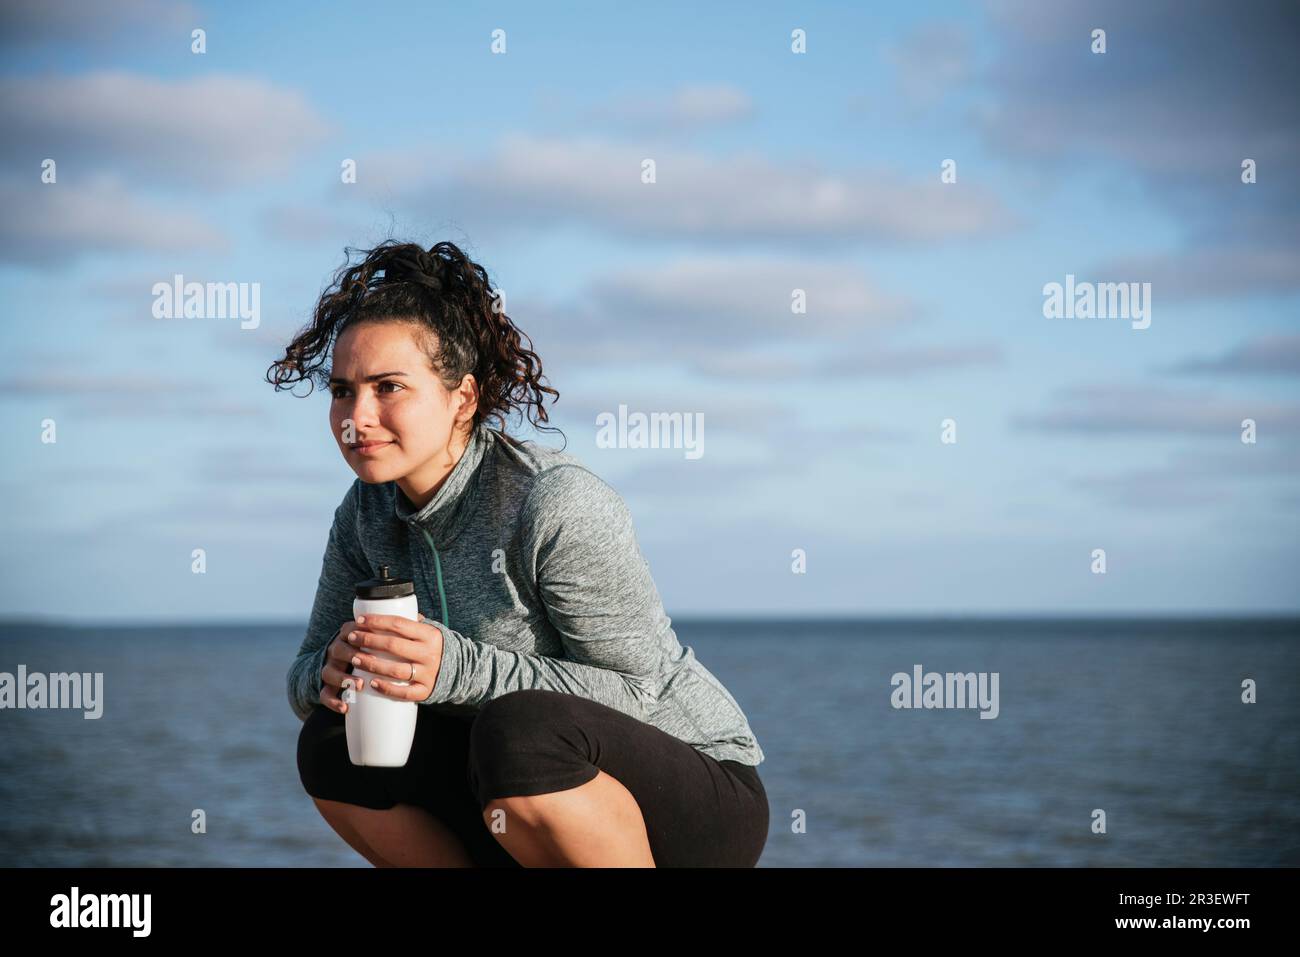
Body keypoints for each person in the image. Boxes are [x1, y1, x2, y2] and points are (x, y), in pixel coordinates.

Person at [266, 239, 768, 867]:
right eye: (343, 390)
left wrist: (455, 669)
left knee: (520, 730)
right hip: (508, 787)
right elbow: (300, 680)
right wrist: (331, 674)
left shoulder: (553, 501)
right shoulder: (364, 513)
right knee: (331, 743)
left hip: (694, 790)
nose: (356, 416)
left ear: (463, 399)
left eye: (387, 387)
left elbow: (641, 692)